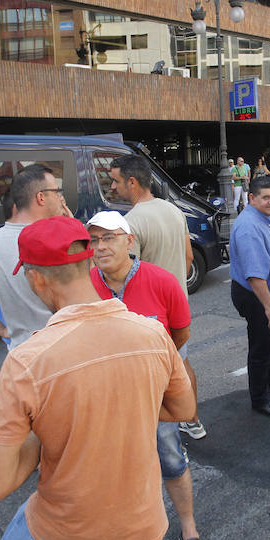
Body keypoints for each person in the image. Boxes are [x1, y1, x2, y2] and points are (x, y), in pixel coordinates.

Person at [0, 216, 195, 540]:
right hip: (144, 526)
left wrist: (44, 432)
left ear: (35, 279)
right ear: (88, 259)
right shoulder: (152, 333)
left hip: (64, 532)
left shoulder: (27, 361)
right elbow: (183, 408)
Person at [85, 211, 201, 540]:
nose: (101, 246)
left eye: (109, 238)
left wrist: (155, 369)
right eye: (94, 240)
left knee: (170, 458)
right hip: (108, 399)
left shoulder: (161, 280)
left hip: (155, 396)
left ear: (129, 241)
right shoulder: (86, 286)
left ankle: (188, 527)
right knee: (118, 468)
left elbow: (180, 334)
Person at [108, 154, 206, 439]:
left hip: (149, 319)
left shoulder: (131, 224)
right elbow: (188, 257)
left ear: (132, 182)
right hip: (178, 311)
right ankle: (192, 419)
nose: (112, 188)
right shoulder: (173, 210)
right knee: (181, 365)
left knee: (156, 381)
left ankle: (168, 439)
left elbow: (128, 276)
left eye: (115, 181)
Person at [0, 164, 70, 350]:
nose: (61, 197)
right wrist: (73, 230)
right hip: (60, 350)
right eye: (57, 191)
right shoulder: (57, 237)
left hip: (20, 352)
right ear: (41, 197)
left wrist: (2, 330)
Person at [229, 176, 270, 418]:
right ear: (251, 198)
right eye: (266, 197)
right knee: (262, 346)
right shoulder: (249, 227)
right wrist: (269, 308)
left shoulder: (262, 217)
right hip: (258, 295)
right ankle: (260, 399)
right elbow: (255, 275)